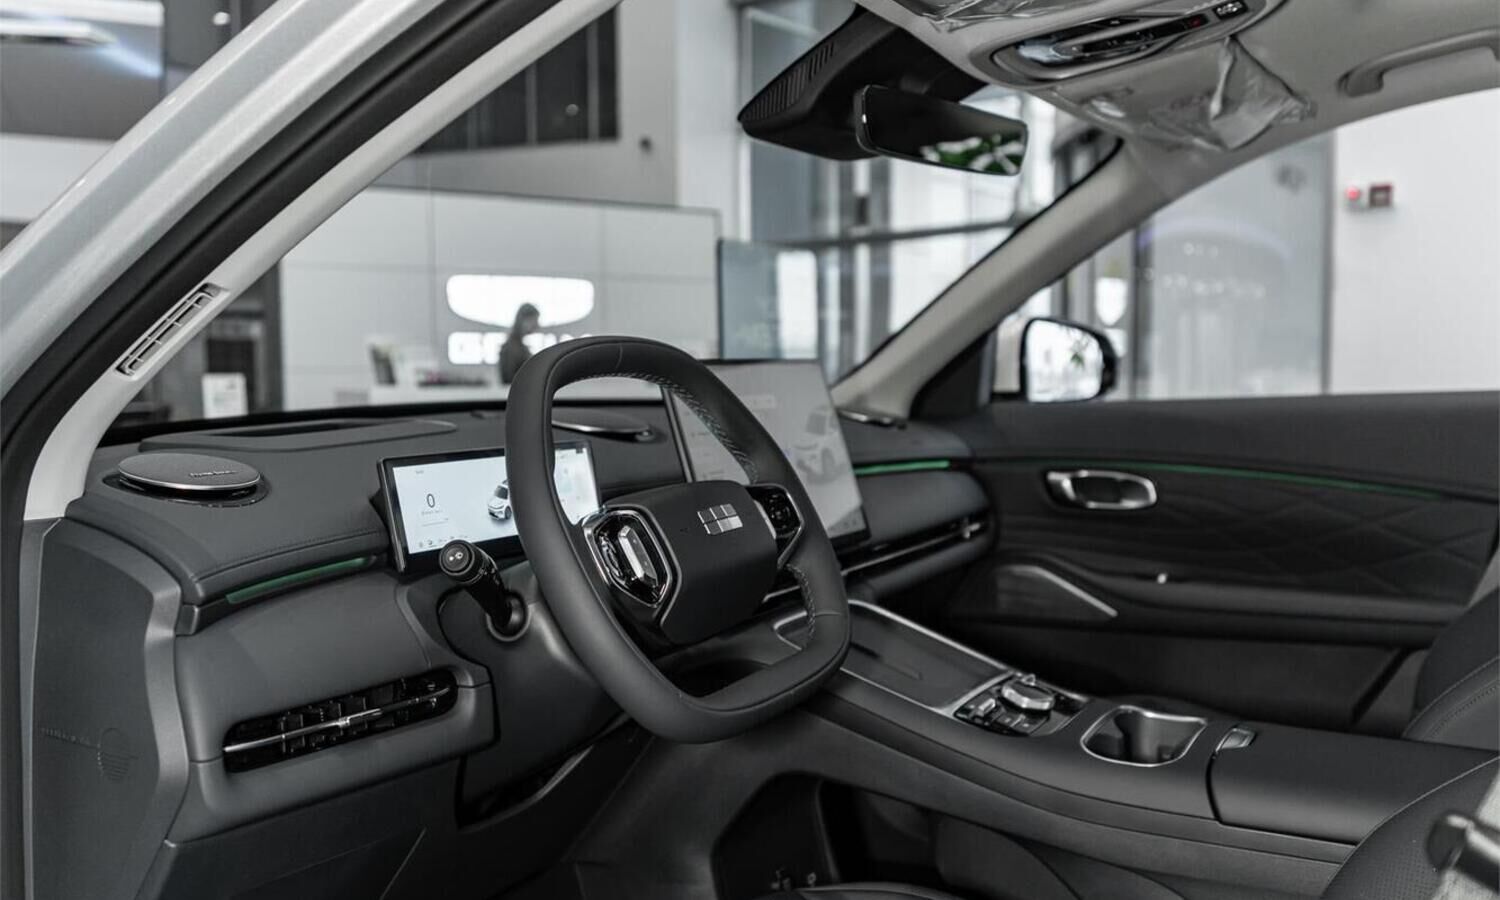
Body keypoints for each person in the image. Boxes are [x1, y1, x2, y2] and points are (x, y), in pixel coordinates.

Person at [499, 303, 540, 385]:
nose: (537, 325)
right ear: (524, 320)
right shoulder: (511, 348)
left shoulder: (517, 346)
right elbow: (508, 379)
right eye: (534, 320)